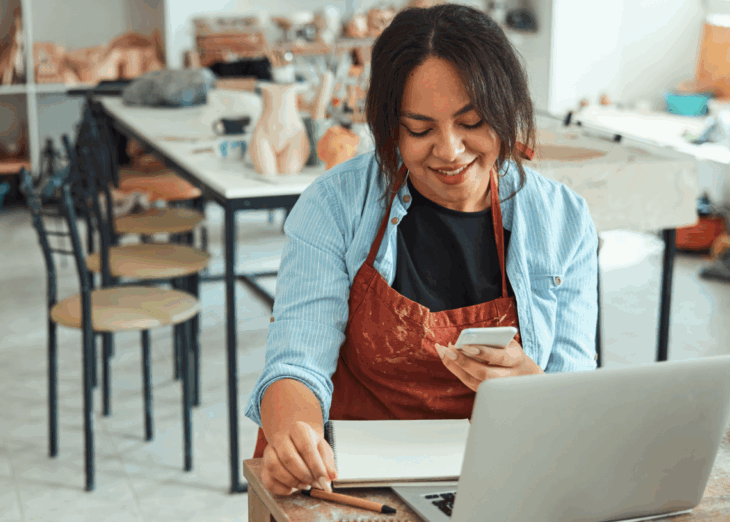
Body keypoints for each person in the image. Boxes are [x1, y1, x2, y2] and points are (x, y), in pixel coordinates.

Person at [245, 3, 598, 496]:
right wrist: (295, 439)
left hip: (499, 474)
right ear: (391, 128)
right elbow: (296, 362)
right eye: (420, 129)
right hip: (353, 477)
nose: (450, 150)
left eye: (472, 121)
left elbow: (578, 397)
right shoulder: (335, 205)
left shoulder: (564, 222)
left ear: (506, 111)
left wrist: (533, 390)